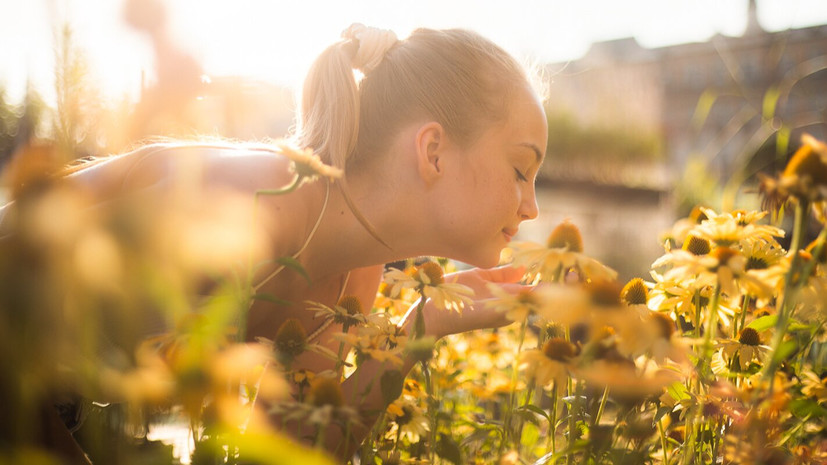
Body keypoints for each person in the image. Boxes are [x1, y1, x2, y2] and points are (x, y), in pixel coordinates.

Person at [1, 23, 547, 461]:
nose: (532, 207)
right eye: (521, 169)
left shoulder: (358, 271)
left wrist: (423, 328)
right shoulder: (255, 207)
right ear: (433, 152)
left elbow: (297, 449)